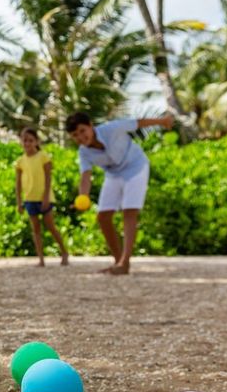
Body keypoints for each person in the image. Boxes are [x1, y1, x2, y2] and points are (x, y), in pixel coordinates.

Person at [65, 112, 174, 275]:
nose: (81, 136)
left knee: (129, 212)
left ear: (91, 125)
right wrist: (83, 196)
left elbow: (138, 123)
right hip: (114, 174)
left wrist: (162, 121)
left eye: (82, 130)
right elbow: (85, 176)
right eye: (75, 135)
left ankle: (125, 261)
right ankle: (119, 262)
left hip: (136, 166)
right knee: (103, 217)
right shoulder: (84, 152)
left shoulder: (112, 129)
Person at [15, 127, 69, 267]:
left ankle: (64, 252)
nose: (27, 143)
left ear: (37, 141)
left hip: (44, 198)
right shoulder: (20, 161)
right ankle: (41, 259)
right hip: (29, 198)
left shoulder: (43, 157)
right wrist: (19, 201)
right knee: (36, 229)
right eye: (25, 140)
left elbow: (48, 177)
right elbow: (18, 184)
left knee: (51, 226)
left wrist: (46, 197)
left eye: (31, 140)